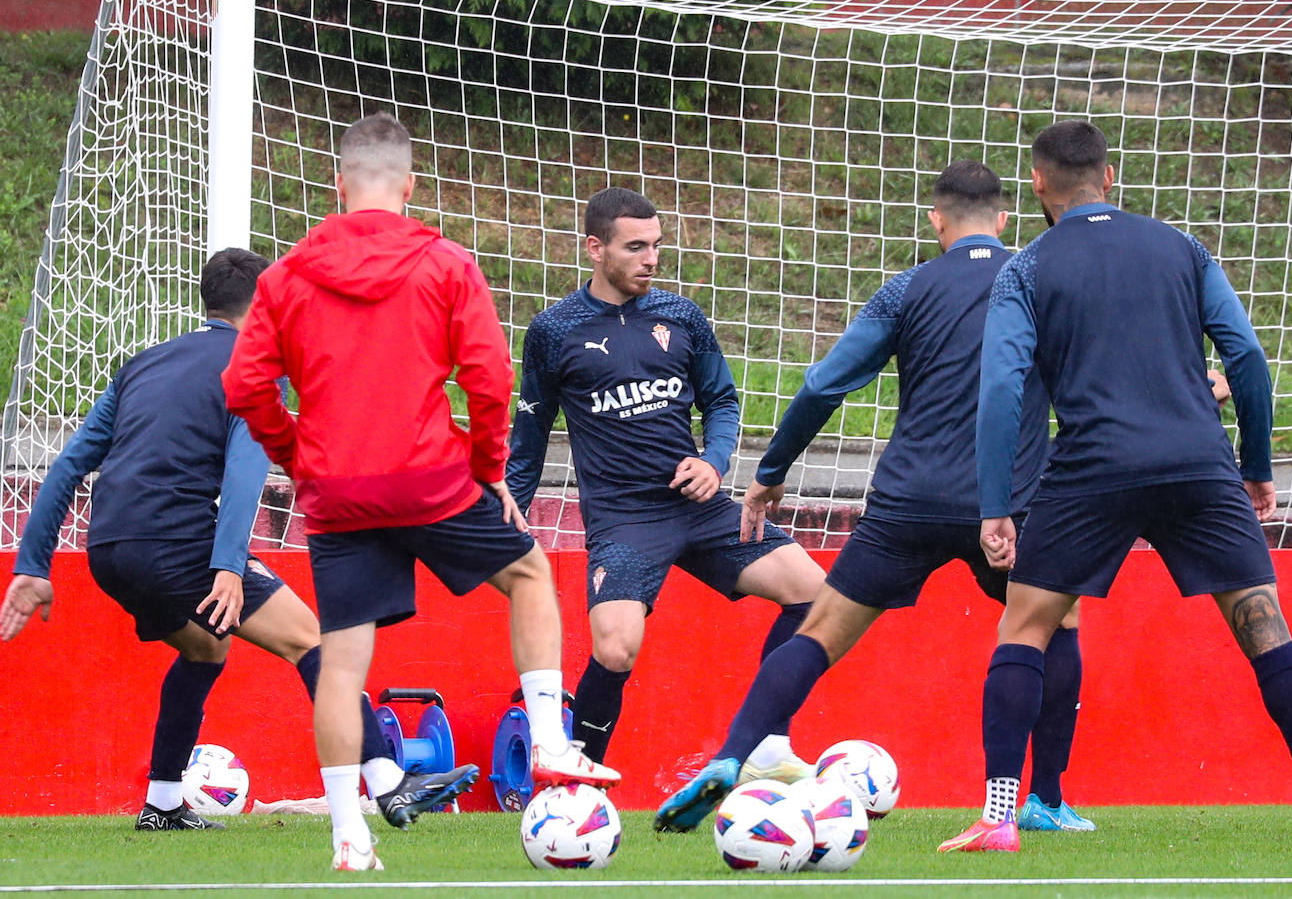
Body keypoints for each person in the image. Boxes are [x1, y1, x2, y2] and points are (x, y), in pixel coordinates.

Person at [940, 120, 1292, 853]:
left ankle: (1000, 819)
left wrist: (995, 505)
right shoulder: (1182, 247)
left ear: (1038, 185)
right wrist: (1256, 466)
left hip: (1090, 471)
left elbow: (1002, 388)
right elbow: (1246, 356)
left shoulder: (1027, 268)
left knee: (1025, 627)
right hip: (1198, 463)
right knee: (1266, 628)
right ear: (1110, 178)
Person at [222, 113, 618, 872]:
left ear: (339, 185)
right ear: (408, 184)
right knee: (530, 573)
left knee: (342, 663)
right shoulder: (444, 262)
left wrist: (297, 453)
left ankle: (348, 836)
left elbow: (242, 386)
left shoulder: (286, 276)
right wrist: (489, 465)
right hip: (432, 479)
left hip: (337, 490)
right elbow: (490, 376)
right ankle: (547, 740)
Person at [653, 160, 1095, 833]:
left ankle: (734, 754)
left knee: (820, 632)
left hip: (907, 502)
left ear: (937, 220)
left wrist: (771, 474)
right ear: (1005, 220)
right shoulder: (1038, 278)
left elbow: (825, 385)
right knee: (1053, 625)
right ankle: (1044, 799)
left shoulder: (908, 288)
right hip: (1009, 503)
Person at [0, 249, 422, 834]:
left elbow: (69, 465)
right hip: (178, 545)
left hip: (109, 551)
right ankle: (389, 783)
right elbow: (245, 471)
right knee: (310, 639)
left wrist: (35, 563)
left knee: (206, 648)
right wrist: (228, 565)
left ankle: (164, 803)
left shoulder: (141, 364)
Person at [506, 187, 823, 779]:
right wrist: (509, 521)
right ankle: (578, 777)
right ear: (595, 249)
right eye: (635, 247)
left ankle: (766, 743)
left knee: (815, 595)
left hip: (701, 508)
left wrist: (715, 461)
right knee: (615, 647)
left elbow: (722, 402)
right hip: (624, 521)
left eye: (656, 246)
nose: (651, 259)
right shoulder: (554, 330)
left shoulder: (681, 317)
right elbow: (528, 440)